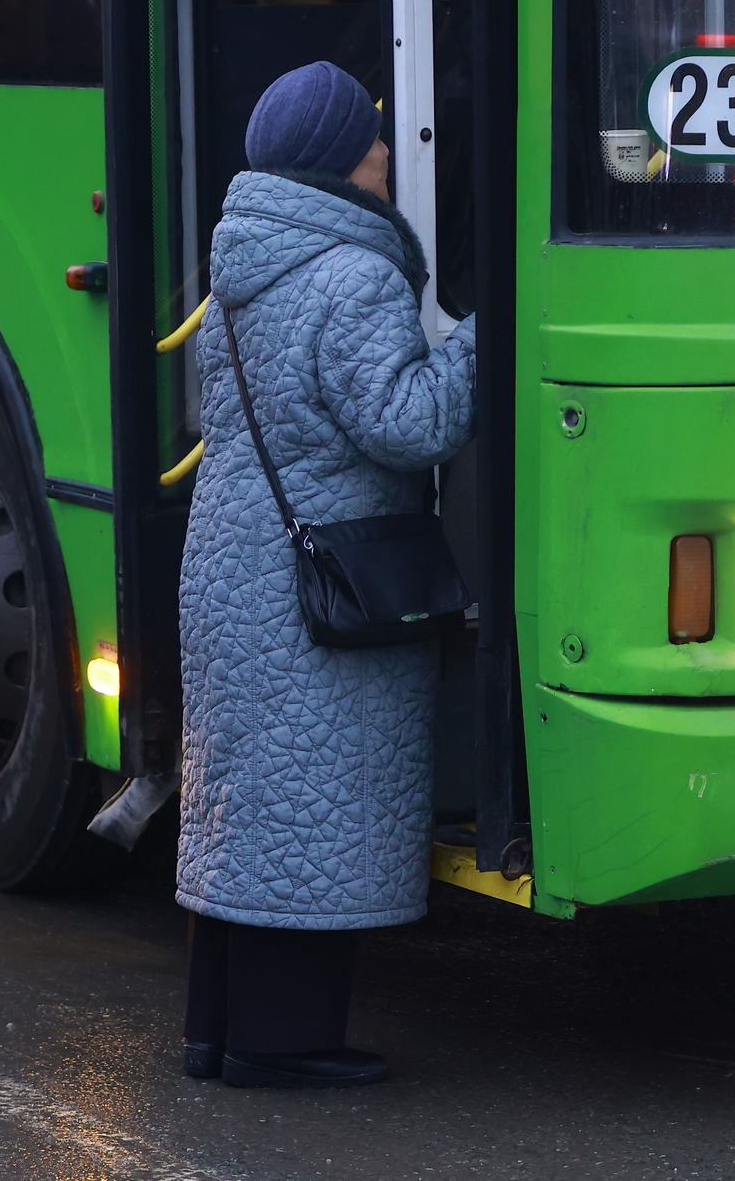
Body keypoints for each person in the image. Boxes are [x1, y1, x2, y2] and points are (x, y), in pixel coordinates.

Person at [176, 60, 475, 1090]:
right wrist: (484, 337)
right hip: (316, 574)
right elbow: (408, 424)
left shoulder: (247, 265)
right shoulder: (350, 273)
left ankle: (215, 1029)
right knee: (309, 805)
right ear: (342, 159)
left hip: (234, 560)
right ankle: (281, 1041)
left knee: (247, 804)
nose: (389, 150)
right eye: (373, 136)